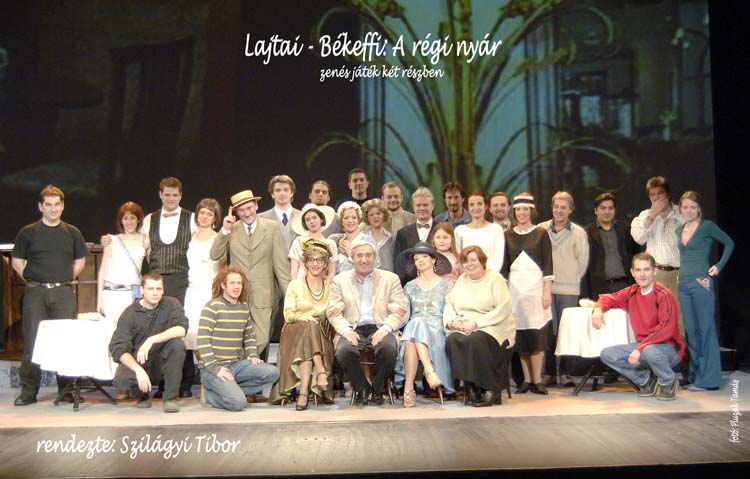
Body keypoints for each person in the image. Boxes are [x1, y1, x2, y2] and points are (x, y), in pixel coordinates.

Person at [11, 185, 87, 406]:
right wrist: (35, 280)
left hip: (63, 293)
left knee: (65, 342)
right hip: (35, 293)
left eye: (57, 204)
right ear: (40, 206)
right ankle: (28, 392)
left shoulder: (72, 232)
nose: (53, 209)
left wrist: (62, 279)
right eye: (48, 205)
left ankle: (66, 391)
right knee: (33, 343)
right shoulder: (28, 232)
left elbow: (80, 261)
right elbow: (17, 262)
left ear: (62, 206)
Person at [593, 253, 686, 400]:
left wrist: (640, 348)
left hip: (669, 348)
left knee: (650, 351)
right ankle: (646, 380)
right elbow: (609, 298)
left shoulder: (663, 294)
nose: (642, 274)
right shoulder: (631, 292)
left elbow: (666, 329)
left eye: (646, 269)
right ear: (632, 272)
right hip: (644, 346)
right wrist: (598, 309)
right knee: (608, 354)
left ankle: (668, 382)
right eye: (638, 270)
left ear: (654, 271)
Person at [210, 189, 291, 356]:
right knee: (236, 339)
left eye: (249, 208)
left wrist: (290, 297)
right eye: (241, 210)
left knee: (261, 339)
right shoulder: (232, 229)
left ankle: (239, 365)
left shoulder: (271, 227)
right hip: (237, 294)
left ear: (256, 206)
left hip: (264, 294)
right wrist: (224, 231)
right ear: (236, 212)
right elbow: (215, 255)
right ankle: (240, 367)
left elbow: (280, 265)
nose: (246, 213)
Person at [326, 240, 406, 405]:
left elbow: (400, 312)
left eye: (368, 255)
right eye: (359, 256)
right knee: (344, 351)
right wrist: (346, 331)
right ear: (352, 259)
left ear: (375, 258)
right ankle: (362, 387)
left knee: (388, 349)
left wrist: (385, 329)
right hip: (352, 327)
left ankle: (377, 389)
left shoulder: (390, 279)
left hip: (381, 326)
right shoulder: (340, 280)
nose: (364, 259)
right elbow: (332, 312)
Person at [139, 176, 197, 398]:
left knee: (180, 328)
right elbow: (145, 250)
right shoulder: (149, 219)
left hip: (181, 279)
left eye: (175, 195)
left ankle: (185, 383)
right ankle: (163, 383)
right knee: (158, 329)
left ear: (180, 195)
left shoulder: (191, 219)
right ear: (160, 195)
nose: (171, 198)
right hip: (157, 282)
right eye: (167, 194)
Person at [197, 267, 280, 410]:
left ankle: (231, 391)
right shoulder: (212, 306)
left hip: (235, 365)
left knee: (273, 373)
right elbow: (203, 340)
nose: (236, 287)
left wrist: (252, 355)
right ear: (223, 285)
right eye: (232, 283)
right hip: (213, 368)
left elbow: (249, 335)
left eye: (239, 283)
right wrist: (215, 369)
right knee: (238, 403)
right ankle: (210, 396)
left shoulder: (243, 307)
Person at [676, 191, 734, 391]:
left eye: (693, 207)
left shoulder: (707, 226)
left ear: (699, 208)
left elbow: (729, 243)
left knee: (705, 330)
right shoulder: (679, 229)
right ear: (680, 208)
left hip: (701, 282)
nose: (689, 211)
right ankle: (695, 376)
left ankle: (709, 380)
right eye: (685, 207)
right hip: (683, 284)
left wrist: (718, 266)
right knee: (691, 332)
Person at [444, 246, 516, 407]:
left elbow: (504, 308)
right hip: (466, 323)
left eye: (473, 260)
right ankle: (471, 386)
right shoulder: (462, 279)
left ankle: (491, 389)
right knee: (453, 339)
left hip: (494, 324)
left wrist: (477, 324)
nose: (469, 264)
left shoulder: (495, 279)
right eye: (465, 261)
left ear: (482, 261)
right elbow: (450, 303)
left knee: (476, 339)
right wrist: (450, 321)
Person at [108, 273, 188, 413]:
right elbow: (118, 348)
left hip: (162, 361)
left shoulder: (172, 304)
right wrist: (138, 370)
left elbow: (181, 329)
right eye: (151, 289)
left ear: (163, 290)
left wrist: (152, 339)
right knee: (122, 380)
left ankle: (170, 398)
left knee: (177, 345)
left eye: (158, 289)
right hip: (140, 361)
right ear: (142, 290)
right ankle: (142, 395)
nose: (155, 293)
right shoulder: (130, 313)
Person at [273, 240, 336, 409]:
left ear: (325, 264)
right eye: (311, 260)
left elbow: (333, 314)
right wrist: (304, 318)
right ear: (305, 263)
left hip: (320, 336)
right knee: (309, 326)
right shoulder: (295, 285)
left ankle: (303, 393)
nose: (315, 264)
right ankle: (320, 370)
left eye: (319, 260)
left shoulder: (330, 288)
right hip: (294, 331)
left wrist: (340, 307)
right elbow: (288, 314)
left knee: (311, 329)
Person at [504, 193, 553, 395]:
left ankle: (538, 380)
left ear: (531, 211)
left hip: (535, 289)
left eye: (525, 209)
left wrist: (547, 291)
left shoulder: (541, 233)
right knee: (521, 334)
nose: (522, 213)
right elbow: (505, 266)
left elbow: (548, 264)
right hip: (515, 290)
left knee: (536, 334)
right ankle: (526, 380)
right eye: (518, 209)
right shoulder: (507, 235)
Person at [394, 242, 454, 407]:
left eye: (424, 256)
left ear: (433, 259)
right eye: (416, 258)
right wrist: (395, 310)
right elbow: (405, 316)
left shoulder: (446, 284)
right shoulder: (410, 286)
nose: (419, 260)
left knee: (412, 334)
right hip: (413, 328)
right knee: (415, 324)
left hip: (437, 330)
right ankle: (429, 372)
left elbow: (450, 311)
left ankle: (408, 389)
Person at [538, 191, 589, 387]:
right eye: (556, 207)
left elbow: (582, 262)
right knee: (548, 331)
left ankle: (566, 373)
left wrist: (570, 279)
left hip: (568, 290)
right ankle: (549, 372)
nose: (559, 211)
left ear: (570, 210)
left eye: (563, 207)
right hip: (546, 289)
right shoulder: (541, 229)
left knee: (566, 331)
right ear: (552, 208)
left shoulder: (578, 233)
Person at [630, 176, 685, 334]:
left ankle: (680, 348)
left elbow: (691, 236)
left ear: (667, 194)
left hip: (678, 274)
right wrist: (652, 217)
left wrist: (673, 216)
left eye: (660, 193)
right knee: (655, 316)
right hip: (655, 274)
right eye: (652, 195)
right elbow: (639, 238)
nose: (656, 198)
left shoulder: (681, 213)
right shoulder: (644, 216)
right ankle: (656, 347)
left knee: (679, 318)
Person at [97, 201, 149, 322]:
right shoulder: (111, 240)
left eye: (132, 218)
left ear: (138, 220)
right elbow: (103, 270)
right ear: (121, 220)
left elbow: (152, 265)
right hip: (112, 293)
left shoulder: (145, 240)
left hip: (134, 293)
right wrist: (99, 298)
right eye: (125, 218)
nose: (129, 222)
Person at [183, 198, 222, 350]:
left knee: (208, 335)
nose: (205, 216)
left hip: (209, 292)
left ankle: (208, 365)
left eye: (209, 214)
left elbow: (222, 269)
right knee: (192, 335)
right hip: (192, 292)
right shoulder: (191, 236)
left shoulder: (217, 238)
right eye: (202, 212)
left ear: (215, 218)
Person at [584, 193, 640, 299]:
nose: (607, 212)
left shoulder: (625, 229)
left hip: (625, 285)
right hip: (600, 287)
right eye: (603, 208)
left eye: (610, 208)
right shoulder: (587, 233)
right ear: (595, 210)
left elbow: (636, 255)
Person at [394, 187, 437, 285]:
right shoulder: (402, 233)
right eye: (418, 205)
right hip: (410, 285)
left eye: (425, 205)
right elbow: (399, 266)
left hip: (437, 284)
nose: (422, 208)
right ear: (413, 207)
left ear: (432, 206)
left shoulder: (441, 231)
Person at [454, 192, 506, 272]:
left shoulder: (496, 229)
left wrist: (486, 277)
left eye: (479, 204)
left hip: (491, 276)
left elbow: (498, 260)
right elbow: (458, 259)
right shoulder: (460, 230)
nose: (476, 207)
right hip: (467, 276)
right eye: (472, 204)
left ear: (486, 206)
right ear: (468, 208)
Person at [289, 203, 338, 283]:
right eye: (308, 220)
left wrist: (324, 286)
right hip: (301, 284)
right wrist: (295, 286)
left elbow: (332, 272)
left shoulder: (330, 244)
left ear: (321, 219)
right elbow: (293, 272)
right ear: (305, 223)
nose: (312, 221)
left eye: (314, 218)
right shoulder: (298, 241)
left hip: (322, 284)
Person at [328, 202, 375, 274]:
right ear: (341, 221)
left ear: (359, 220)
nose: (350, 221)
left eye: (354, 217)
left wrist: (351, 254)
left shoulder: (368, 240)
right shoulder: (336, 241)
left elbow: (375, 266)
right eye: (346, 218)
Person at [258, 174, 300, 252]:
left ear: (292, 193)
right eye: (278, 190)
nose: (282, 194)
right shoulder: (260, 219)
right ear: (272, 194)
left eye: (286, 190)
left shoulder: (303, 216)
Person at [361, 199, 396, 272]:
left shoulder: (392, 240)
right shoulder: (362, 239)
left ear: (384, 215)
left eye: (378, 213)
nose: (375, 217)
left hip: (388, 276)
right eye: (371, 214)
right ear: (367, 218)